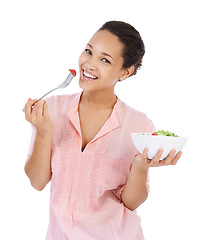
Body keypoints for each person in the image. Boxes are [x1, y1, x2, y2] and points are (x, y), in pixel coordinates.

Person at [24, 21, 182, 240]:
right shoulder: (52, 109)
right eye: (88, 51)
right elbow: (37, 182)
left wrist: (140, 167)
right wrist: (43, 132)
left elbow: (131, 202)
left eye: (105, 60)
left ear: (126, 72)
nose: (89, 64)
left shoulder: (139, 125)